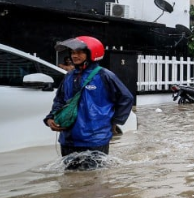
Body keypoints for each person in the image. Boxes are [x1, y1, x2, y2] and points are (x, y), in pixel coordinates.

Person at [43, 36, 134, 169]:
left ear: (92, 54)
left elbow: (126, 98)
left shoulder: (105, 75)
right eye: (73, 53)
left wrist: (115, 122)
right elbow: (60, 100)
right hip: (68, 139)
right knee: (70, 181)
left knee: (93, 182)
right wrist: (50, 118)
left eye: (79, 52)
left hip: (95, 139)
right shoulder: (68, 76)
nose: (75, 56)